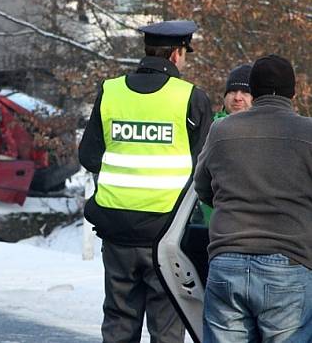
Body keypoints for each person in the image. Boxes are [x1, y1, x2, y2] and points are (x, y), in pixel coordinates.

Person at [78, 20, 213, 342]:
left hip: (116, 228)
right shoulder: (190, 98)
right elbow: (207, 166)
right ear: (178, 54)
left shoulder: (110, 91)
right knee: (166, 324)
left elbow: (89, 156)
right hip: (166, 232)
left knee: (118, 320)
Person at [194, 54, 312, 342]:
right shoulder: (308, 132)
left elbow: (202, 187)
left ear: (253, 91)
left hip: (226, 263)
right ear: (293, 92)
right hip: (289, 265)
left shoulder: (221, 131)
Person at [195, 63, 253, 225]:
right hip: (206, 223)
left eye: (245, 92)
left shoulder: (266, 132)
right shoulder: (207, 128)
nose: (237, 97)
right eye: (232, 91)